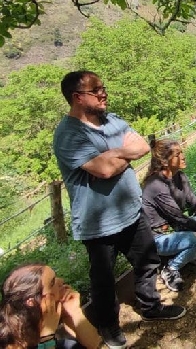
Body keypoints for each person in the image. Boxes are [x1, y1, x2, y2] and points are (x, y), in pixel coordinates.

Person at [52, 71, 185, 349]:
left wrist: (116, 155)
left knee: (148, 261)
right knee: (104, 281)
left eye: (103, 87)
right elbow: (104, 169)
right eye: (96, 90)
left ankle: (150, 307)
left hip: (132, 212)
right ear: (78, 97)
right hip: (97, 223)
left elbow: (141, 147)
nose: (104, 93)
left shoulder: (112, 120)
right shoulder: (68, 135)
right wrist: (122, 153)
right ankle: (109, 327)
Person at [141, 139, 196, 292]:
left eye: (182, 152)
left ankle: (192, 255)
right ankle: (170, 268)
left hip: (177, 228)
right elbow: (181, 219)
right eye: (178, 154)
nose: (183, 156)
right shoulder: (156, 185)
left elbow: (195, 204)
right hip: (159, 237)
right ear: (164, 161)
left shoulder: (180, 177)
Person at [0, 264, 101, 349]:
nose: (61, 281)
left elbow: (94, 345)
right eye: (52, 283)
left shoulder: (47, 313)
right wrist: (47, 334)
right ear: (32, 301)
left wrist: (75, 312)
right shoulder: (12, 338)